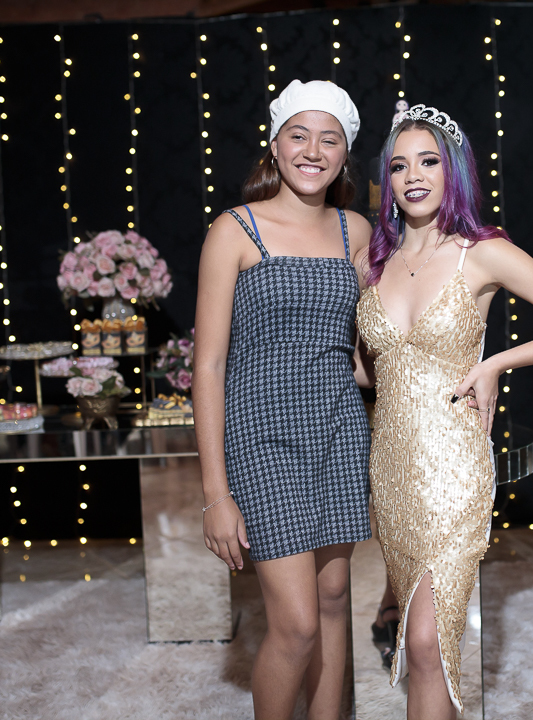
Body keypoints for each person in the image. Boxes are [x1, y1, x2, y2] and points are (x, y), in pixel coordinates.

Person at [354, 104, 533, 719]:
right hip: (389, 472)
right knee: (421, 647)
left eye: (428, 161)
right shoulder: (371, 262)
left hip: (453, 467)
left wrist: (496, 362)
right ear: (387, 180)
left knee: (427, 642)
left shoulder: (482, 252)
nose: (413, 175)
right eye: (399, 166)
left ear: (453, 170)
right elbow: (370, 370)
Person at [193, 79, 373, 720]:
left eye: (329, 139)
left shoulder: (357, 230)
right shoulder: (234, 229)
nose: (313, 151)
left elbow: (368, 348)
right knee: (296, 624)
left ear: (345, 154)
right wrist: (215, 493)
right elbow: (208, 365)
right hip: (261, 436)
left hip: (339, 429)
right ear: (275, 144)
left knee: (333, 600)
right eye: (299, 135)